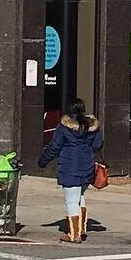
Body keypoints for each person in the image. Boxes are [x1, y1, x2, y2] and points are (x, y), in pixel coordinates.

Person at [36, 99, 104, 243]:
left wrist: (42, 161)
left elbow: (54, 147)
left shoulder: (63, 128)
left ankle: (74, 234)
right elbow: (97, 145)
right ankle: (81, 229)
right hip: (87, 165)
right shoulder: (92, 126)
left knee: (72, 200)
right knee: (80, 196)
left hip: (69, 167)